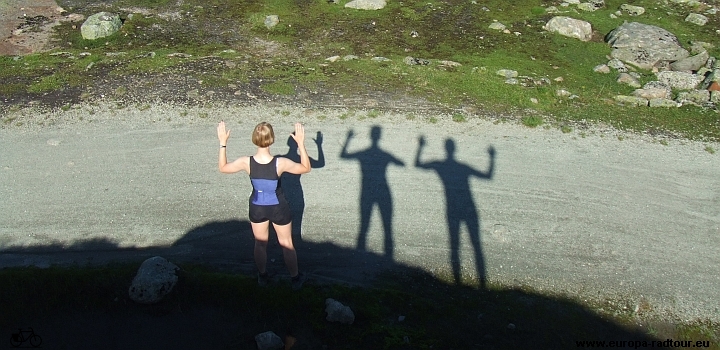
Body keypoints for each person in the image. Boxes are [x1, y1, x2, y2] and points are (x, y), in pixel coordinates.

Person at [216, 121, 311, 290]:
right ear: (272, 139)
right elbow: (306, 167)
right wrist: (301, 145)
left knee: (260, 244)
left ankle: (263, 276)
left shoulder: (246, 162)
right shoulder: (280, 163)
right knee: (287, 243)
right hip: (278, 208)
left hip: (257, 207)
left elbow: (223, 168)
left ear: (254, 139)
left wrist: (223, 142)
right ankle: (295, 279)